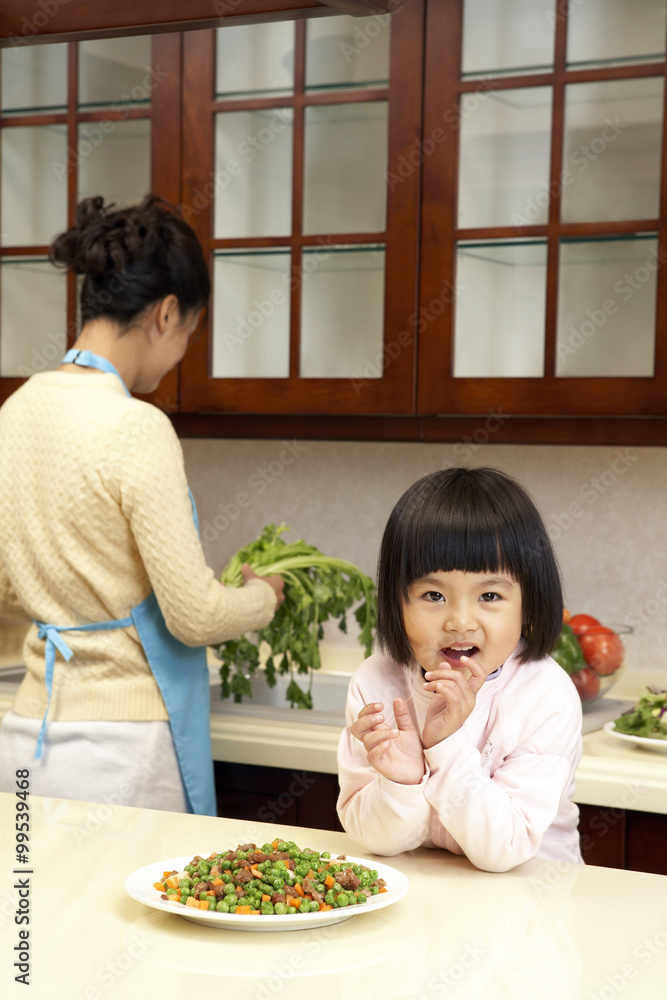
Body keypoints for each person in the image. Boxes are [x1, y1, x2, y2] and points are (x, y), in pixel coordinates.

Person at [0, 194, 284, 815]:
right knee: (133, 915)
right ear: (167, 313)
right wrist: (265, 596)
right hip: (121, 753)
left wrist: (73, 595)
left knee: (29, 913)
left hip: (25, 741)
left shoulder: (14, 414)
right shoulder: (136, 426)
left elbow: (6, 589)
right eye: (190, 332)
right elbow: (196, 616)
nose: (183, 352)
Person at [336, 467, 583, 872]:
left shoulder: (545, 695)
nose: (460, 621)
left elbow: (504, 850)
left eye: (489, 595)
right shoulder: (376, 682)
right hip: (424, 899)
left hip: (531, 901)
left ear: (530, 601)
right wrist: (403, 780)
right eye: (433, 594)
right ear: (396, 602)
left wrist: (445, 748)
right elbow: (377, 843)